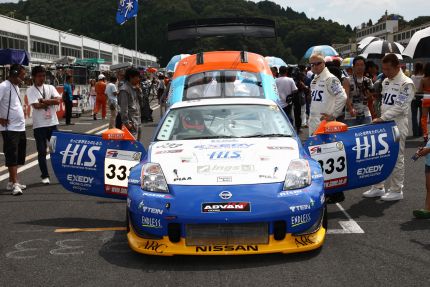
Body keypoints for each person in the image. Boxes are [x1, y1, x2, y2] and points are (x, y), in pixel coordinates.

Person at [363, 54, 415, 201]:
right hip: (384, 124)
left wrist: (382, 117)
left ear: (398, 66)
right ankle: (378, 186)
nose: (385, 72)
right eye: (383, 69)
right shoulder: (385, 81)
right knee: (379, 154)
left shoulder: (407, 83)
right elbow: (385, 102)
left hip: (398, 124)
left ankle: (397, 189)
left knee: (397, 156)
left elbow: (400, 106)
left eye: (388, 69)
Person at [26, 66, 61, 185]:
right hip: (39, 126)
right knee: (42, 151)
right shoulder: (30, 90)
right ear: (33, 77)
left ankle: (61, 175)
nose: (42, 78)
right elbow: (36, 106)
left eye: (43, 76)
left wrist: (44, 101)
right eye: (39, 76)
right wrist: (50, 101)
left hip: (53, 123)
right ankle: (45, 175)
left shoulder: (50, 87)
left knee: (56, 150)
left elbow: (57, 101)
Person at [0, 64, 27, 195]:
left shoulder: (15, 86)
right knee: (12, 155)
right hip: (9, 128)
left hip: (20, 127)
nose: (24, 77)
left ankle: (11, 182)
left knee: (19, 155)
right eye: (22, 75)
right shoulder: (3, 86)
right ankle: (15, 184)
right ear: (15, 73)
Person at [308, 53, 347, 136]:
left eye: (318, 63)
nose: (315, 66)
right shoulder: (314, 80)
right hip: (314, 122)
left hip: (325, 123)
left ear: (324, 63)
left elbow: (342, 97)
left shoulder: (330, 79)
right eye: (312, 64)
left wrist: (333, 115)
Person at [344, 56, 374, 126]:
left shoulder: (368, 80)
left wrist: (369, 95)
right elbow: (345, 97)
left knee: (367, 132)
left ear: (364, 66)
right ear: (353, 67)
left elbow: (370, 98)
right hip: (351, 115)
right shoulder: (347, 80)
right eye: (357, 65)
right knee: (352, 136)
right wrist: (351, 109)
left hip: (365, 113)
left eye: (362, 65)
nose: (359, 67)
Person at [118, 68, 142, 140]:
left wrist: (139, 92)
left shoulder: (134, 88)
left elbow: (141, 103)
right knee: (132, 145)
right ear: (131, 77)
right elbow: (123, 108)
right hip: (131, 122)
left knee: (138, 144)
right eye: (137, 77)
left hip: (137, 120)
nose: (139, 79)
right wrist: (127, 123)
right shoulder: (124, 90)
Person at [412, 145, 430, 219]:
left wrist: (428, 150)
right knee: (429, 187)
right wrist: (424, 149)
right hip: (428, 162)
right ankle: (427, 209)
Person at [411, 63, 424, 138]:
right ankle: (420, 132)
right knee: (422, 116)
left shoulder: (412, 77)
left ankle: (415, 133)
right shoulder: (424, 77)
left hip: (414, 97)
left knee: (414, 116)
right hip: (422, 96)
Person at [418, 63, 430, 142]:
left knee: (424, 117)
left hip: (426, 97)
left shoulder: (423, 79)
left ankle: (425, 134)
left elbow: (419, 90)